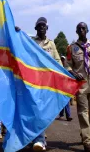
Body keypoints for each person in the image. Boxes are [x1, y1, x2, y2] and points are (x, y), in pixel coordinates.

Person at [30, 17, 63, 151]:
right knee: (36, 110)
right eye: (39, 26)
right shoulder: (30, 42)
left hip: (47, 83)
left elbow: (57, 61)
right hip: (33, 82)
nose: (42, 28)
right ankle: (39, 139)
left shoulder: (51, 44)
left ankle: (40, 138)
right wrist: (17, 33)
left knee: (42, 111)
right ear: (36, 28)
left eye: (44, 26)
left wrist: (64, 76)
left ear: (47, 28)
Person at [65, 22, 90, 152]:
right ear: (76, 31)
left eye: (83, 28)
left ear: (87, 30)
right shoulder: (72, 48)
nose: (81, 30)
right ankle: (88, 142)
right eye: (79, 28)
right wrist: (73, 73)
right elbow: (67, 65)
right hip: (81, 85)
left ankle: (84, 133)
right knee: (82, 112)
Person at [57, 56, 73, 121]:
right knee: (63, 102)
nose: (62, 61)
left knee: (66, 102)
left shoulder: (67, 69)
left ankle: (66, 115)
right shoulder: (59, 68)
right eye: (61, 60)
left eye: (63, 60)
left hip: (67, 87)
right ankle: (64, 115)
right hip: (61, 87)